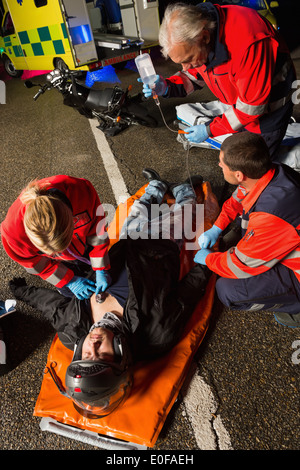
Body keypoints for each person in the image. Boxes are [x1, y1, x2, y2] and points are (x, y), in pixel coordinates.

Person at [9, 171, 211, 417]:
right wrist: (207, 262)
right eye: (101, 354)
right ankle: (185, 190)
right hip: (160, 245)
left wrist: (22, 290)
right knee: (186, 210)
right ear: (121, 353)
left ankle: (157, 186)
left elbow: (50, 304)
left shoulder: (73, 330)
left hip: (124, 243)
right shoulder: (157, 333)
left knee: (141, 207)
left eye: (86, 354)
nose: (92, 344)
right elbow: (188, 293)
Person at [140, 2, 296, 158]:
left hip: (268, 111)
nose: (186, 68)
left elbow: (251, 107)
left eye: (188, 59)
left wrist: (209, 129)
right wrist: (167, 87)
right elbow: (197, 74)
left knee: (252, 165)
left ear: (205, 37)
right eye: (181, 62)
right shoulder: (200, 38)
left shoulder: (248, 42)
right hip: (243, 105)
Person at [193, 132, 300, 328]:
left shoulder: (272, 213)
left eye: (221, 163)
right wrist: (217, 228)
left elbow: (239, 265)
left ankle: (295, 308)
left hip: (297, 270)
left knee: (227, 290)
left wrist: (208, 259)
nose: (219, 165)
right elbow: (234, 203)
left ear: (238, 174)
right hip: (284, 236)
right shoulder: (268, 173)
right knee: (245, 214)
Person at [1, 175, 111, 300]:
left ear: (73, 219)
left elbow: (98, 231)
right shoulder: (12, 232)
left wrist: (101, 267)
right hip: (53, 263)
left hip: (82, 243)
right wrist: (69, 281)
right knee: (71, 296)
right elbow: (35, 264)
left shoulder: (81, 192)